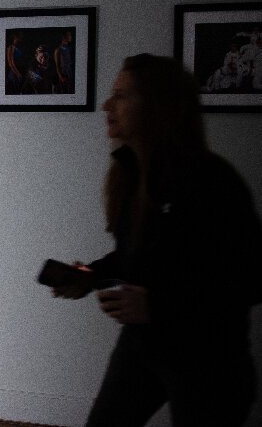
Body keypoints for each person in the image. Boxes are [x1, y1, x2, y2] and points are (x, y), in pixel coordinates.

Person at [51, 54, 261, 427]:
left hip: (209, 360)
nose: (107, 105)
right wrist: (87, 274)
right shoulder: (131, 174)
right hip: (143, 346)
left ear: (158, 107)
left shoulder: (210, 180)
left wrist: (159, 305)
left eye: (122, 95)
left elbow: (250, 278)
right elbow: (138, 257)